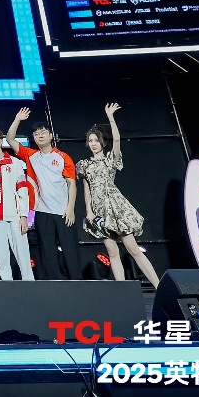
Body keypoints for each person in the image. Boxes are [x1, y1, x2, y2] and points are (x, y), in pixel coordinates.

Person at [79, 103, 162, 287]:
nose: (93, 144)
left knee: (133, 248)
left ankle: (159, 286)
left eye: (96, 140)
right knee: (112, 252)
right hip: (99, 211)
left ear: (102, 142)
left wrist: (110, 117)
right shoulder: (84, 165)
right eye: (90, 140)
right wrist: (89, 211)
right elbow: (86, 189)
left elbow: (117, 140)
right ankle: (122, 290)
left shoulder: (110, 159)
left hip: (115, 207)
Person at [8, 109, 81, 280]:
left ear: (50, 135)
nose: (39, 135)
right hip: (42, 212)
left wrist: (70, 209)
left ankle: (77, 284)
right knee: (47, 253)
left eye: (43, 132)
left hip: (63, 212)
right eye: (36, 133)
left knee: (70, 251)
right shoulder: (31, 155)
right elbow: (10, 139)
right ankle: (54, 284)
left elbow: (71, 184)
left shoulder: (63, 157)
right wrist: (17, 118)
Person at [0, 123, 34, 281]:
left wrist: (24, 215)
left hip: (15, 215)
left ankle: (29, 283)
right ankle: (7, 285)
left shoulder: (15, 163)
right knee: (1, 255)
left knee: (22, 252)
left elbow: (22, 189)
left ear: (1, 139)